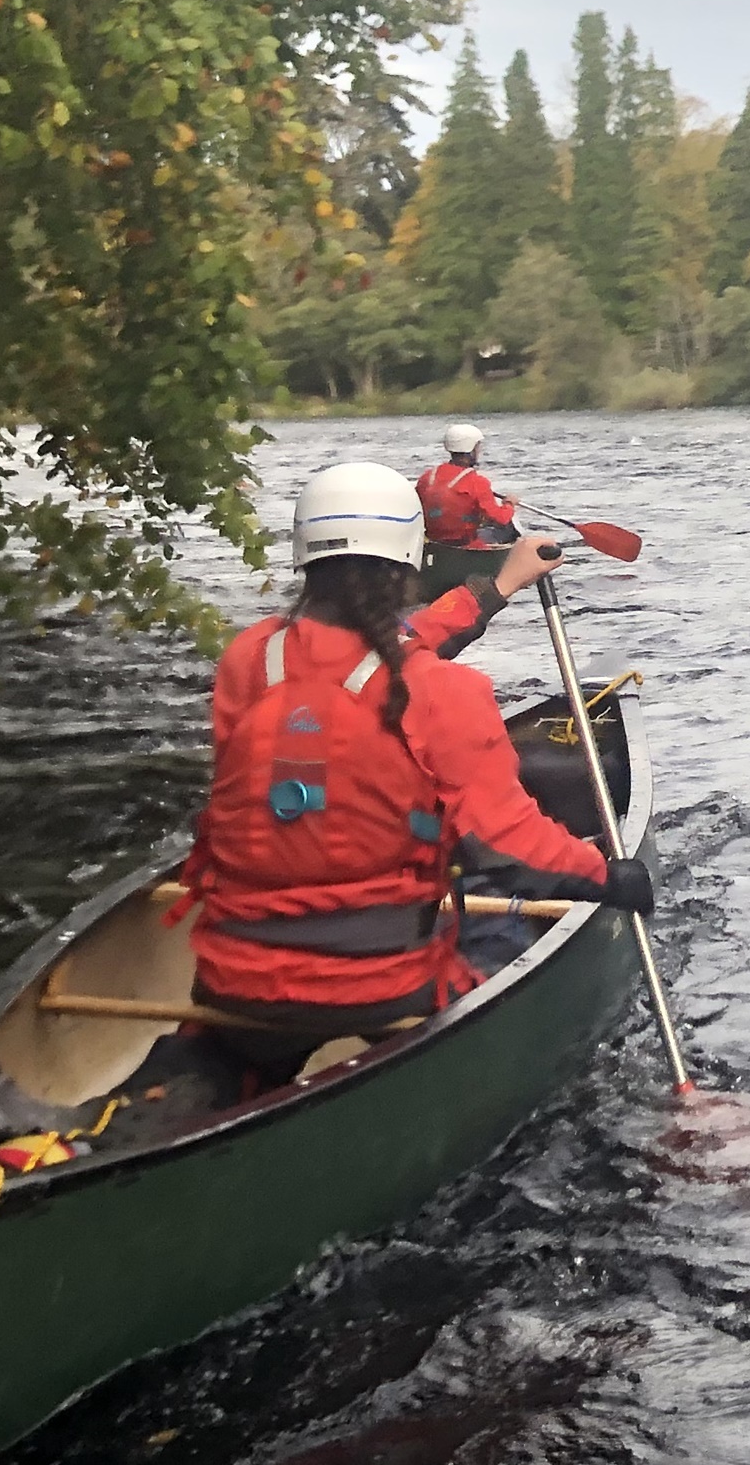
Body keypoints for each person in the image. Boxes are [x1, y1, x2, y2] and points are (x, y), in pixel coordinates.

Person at [175, 460, 652, 1082]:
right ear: (411, 559)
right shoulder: (441, 690)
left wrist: (498, 586)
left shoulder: (253, 657)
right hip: (388, 984)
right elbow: (515, 854)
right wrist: (610, 877)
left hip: (232, 976)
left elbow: (376, 651)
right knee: (503, 910)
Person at [415, 422, 519, 600]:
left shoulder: (427, 477)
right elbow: (501, 519)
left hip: (435, 547)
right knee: (504, 531)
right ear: (471, 449)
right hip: (465, 548)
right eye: (478, 447)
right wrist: (509, 505)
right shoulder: (477, 482)